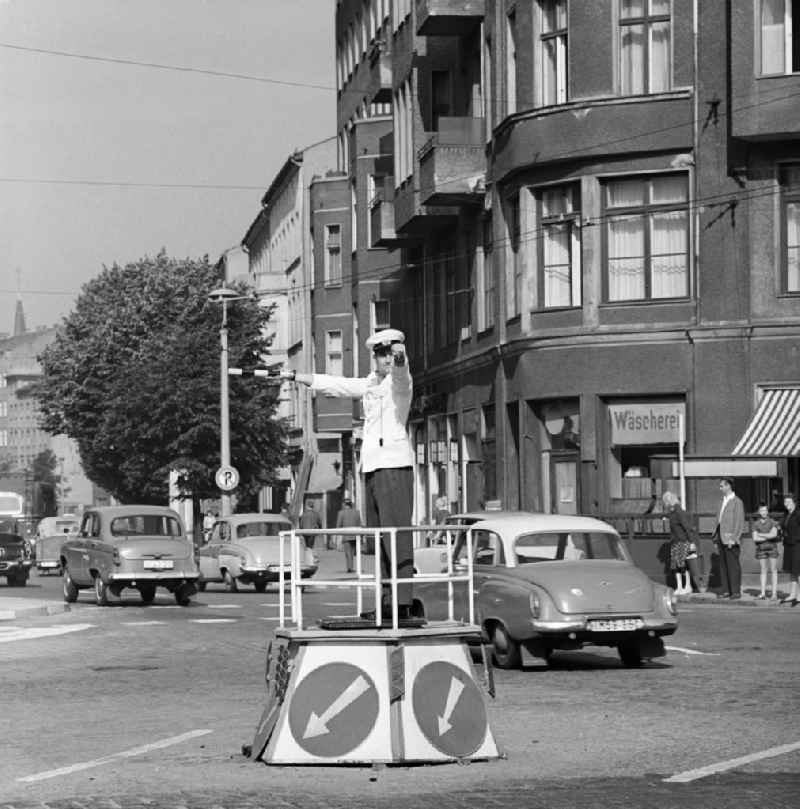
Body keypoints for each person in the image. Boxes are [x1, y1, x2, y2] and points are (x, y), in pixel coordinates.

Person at [283, 327, 415, 619]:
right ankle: (385, 600)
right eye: (380, 354)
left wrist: (401, 359)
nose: (384, 360)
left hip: (393, 465)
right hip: (371, 466)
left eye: (388, 354)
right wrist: (296, 377)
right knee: (379, 536)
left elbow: (402, 377)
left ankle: (403, 601)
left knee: (397, 534)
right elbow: (336, 385)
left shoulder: (399, 383)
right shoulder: (369, 384)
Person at [713, 478, 745, 599]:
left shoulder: (737, 502)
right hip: (720, 537)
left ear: (729, 486)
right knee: (723, 565)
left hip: (730, 538)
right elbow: (718, 519)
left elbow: (739, 522)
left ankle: (735, 591)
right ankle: (726, 590)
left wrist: (734, 537)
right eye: (720, 486)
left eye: (722, 486)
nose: (720, 488)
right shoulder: (721, 501)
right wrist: (715, 537)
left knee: (733, 565)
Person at [662, 491, 698, 595]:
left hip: (682, 541)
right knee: (676, 565)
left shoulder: (678, 511)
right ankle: (680, 587)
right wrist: (666, 517)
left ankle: (687, 586)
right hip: (675, 541)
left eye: (666, 501)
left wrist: (691, 541)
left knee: (682, 565)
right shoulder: (672, 512)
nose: (665, 504)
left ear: (668, 501)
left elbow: (686, 526)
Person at [752, 501, 780, 600]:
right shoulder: (755, 523)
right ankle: (763, 593)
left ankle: (774, 594)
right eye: (762, 510)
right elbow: (755, 538)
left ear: (767, 511)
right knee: (763, 570)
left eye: (765, 510)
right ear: (759, 511)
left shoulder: (773, 522)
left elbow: (774, 535)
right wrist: (768, 536)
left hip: (772, 547)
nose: (763, 512)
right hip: (761, 549)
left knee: (773, 570)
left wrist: (761, 535)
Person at [780, 493, 800, 606]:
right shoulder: (786, 514)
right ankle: (792, 594)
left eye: (788, 502)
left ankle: (799, 595)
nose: (786, 504)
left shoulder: (798, 514)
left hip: (797, 545)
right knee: (792, 571)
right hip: (788, 545)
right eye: (785, 502)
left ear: (794, 502)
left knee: (798, 571)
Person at [336, 497, 362, 573]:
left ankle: (349, 568)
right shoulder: (357, 512)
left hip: (346, 535)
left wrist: (337, 537)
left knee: (348, 553)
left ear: (344, 504)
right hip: (355, 535)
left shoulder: (341, 513)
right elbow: (359, 524)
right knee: (352, 552)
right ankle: (351, 567)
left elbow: (338, 525)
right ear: (351, 504)